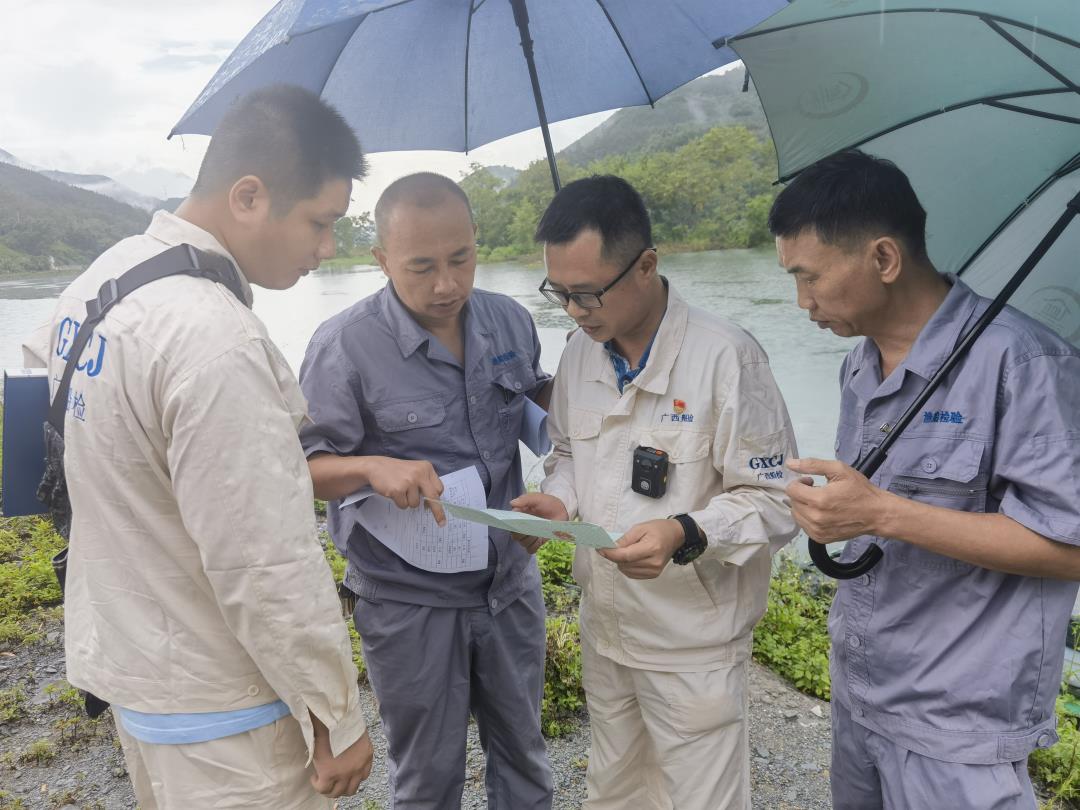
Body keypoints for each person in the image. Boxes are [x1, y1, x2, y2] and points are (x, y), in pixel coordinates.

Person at [21, 85, 373, 809]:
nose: (327, 248)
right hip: (230, 720)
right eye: (320, 221)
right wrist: (336, 715)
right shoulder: (217, 340)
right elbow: (265, 561)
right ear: (249, 196)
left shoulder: (96, 288)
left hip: (141, 683)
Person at [770, 149, 1080, 810]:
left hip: (958, 727)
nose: (802, 302)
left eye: (809, 277)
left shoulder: (1023, 364)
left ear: (884, 259)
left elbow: (1070, 548)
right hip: (861, 695)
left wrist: (882, 513)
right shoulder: (860, 365)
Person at [512, 175, 798, 810]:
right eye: (560, 294)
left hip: (692, 641)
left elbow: (778, 501)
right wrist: (558, 503)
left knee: (699, 798)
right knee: (615, 790)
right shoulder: (580, 355)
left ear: (646, 264)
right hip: (606, 628)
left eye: (588, 294)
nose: (575, 311)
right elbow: (566, 455)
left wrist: (685, 533)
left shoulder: (727, 358)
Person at [297, 172, 554, 810]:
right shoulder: (343, 347)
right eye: (422, 267)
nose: (447, 285)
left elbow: (538, 410)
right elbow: (300, 466)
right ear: (381, 260)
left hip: (509, 588)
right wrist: (370, 467)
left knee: (525, 757)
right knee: (427, 777)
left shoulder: (510, 321)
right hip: (409, 604)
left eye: (461, 259)